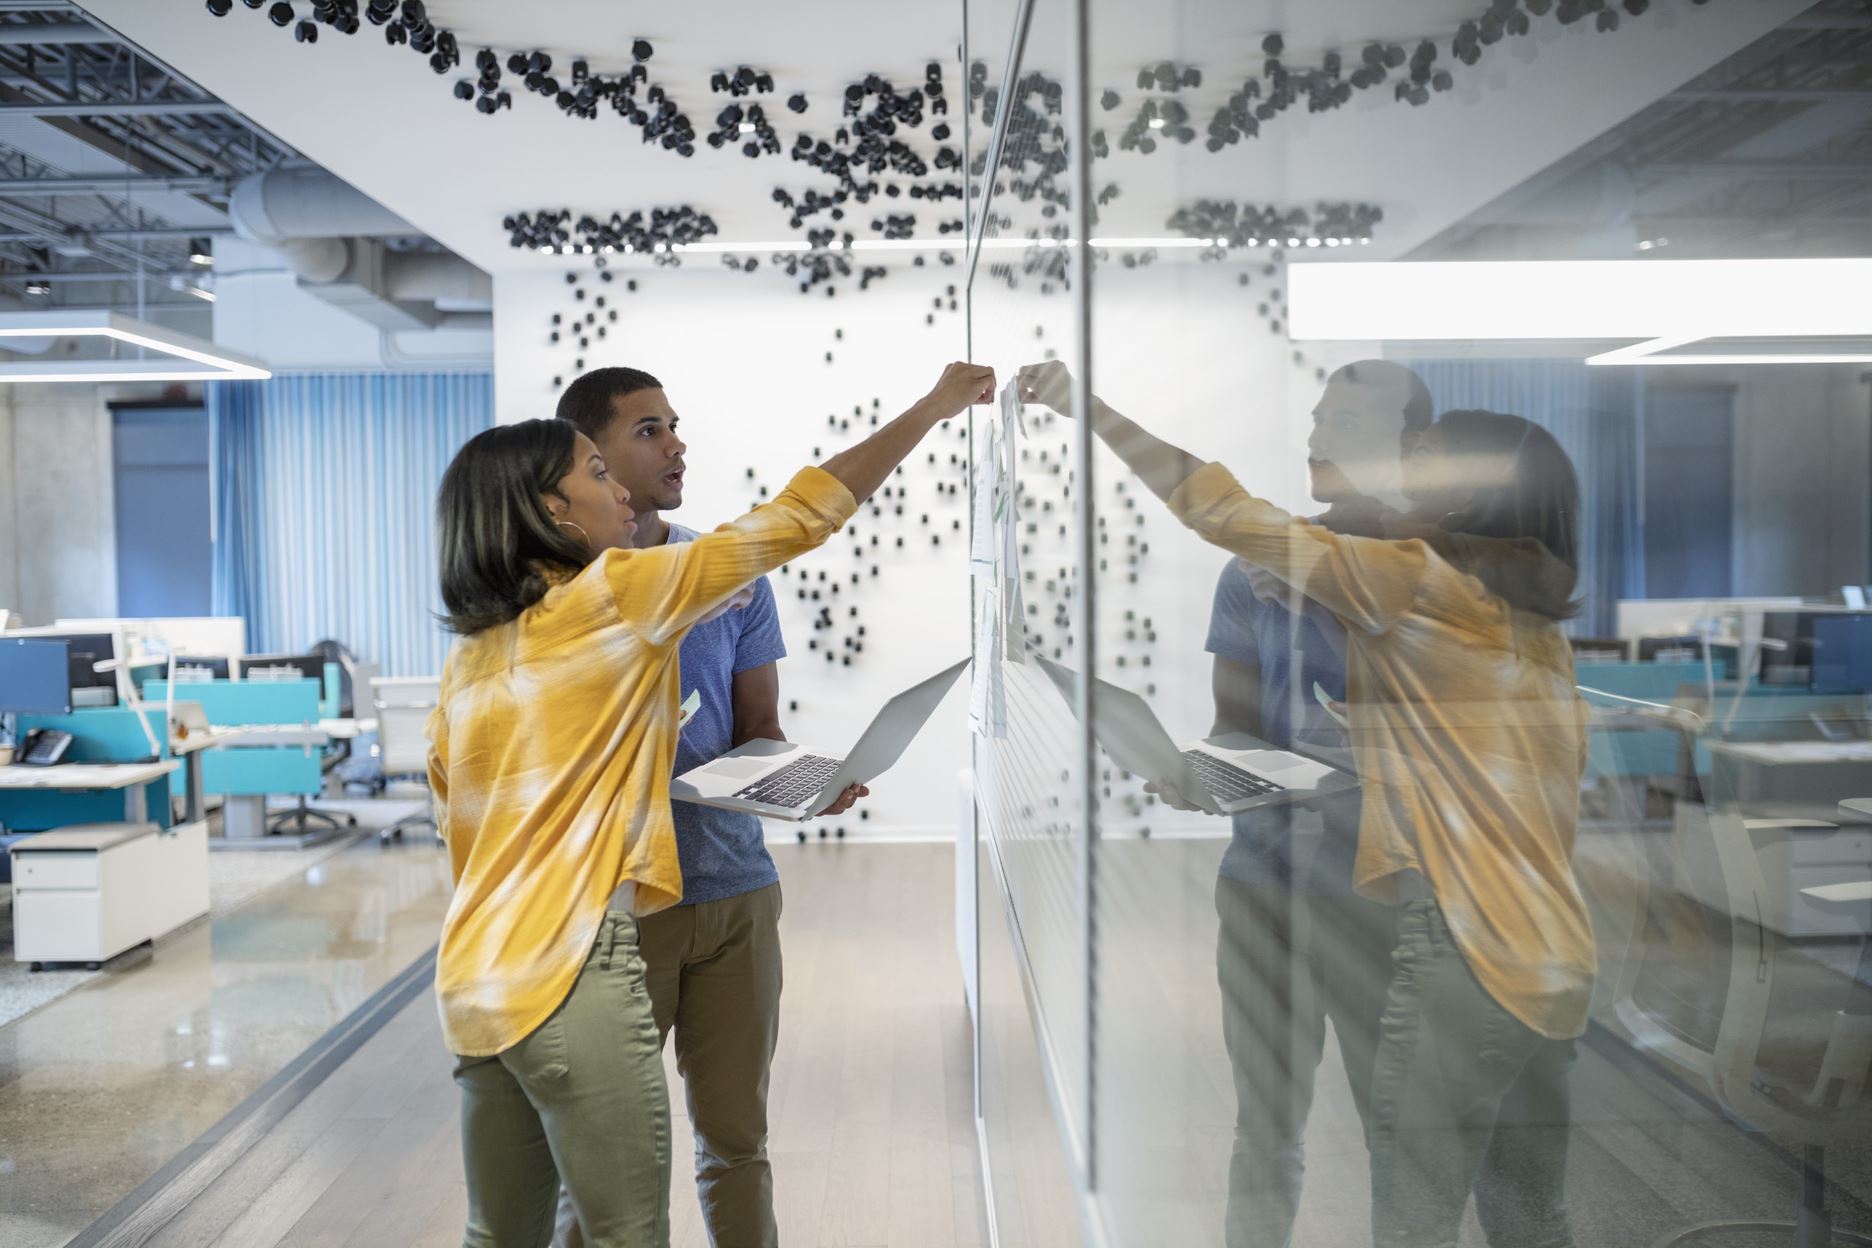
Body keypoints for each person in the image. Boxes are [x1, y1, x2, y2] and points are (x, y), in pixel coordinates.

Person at [1017, 360, 1594, 1248]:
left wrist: (1085, 406)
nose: (1400, 467)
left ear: (1467, 493)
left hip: (1459, 942)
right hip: (1549, 946)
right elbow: (1446, 754)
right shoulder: (1525, 616)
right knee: (1529, 1214)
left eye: (1422, 456)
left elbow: (1215, 506)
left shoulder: (1415, 584)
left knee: (1413, 1219)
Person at [429, 360, 994, 1248]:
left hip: (475, 976)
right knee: (626, 1233)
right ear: (552, 512)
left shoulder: (471, 655)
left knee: (496, 1235)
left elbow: (461, 836)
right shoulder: (615, 597)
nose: (623, 487)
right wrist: (934, 405)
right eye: (601, 472)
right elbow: (799, 517)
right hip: (576, 964)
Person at [550, 366, 864, 1248]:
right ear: (592, 457)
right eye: (647, 430)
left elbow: (759, 726)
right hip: (618, 909)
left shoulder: (732, 581)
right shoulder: (558, 597)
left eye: (674, 426)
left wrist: (804, 779)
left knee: (737, 1145)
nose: (675, 444)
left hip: (735, 892)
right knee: (605, 1160)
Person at [1201, 361, 1430, 1248]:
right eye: (1318, 416)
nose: (1318, 438)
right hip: (1264, 886)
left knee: (1399, 1130)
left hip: (1388, 893)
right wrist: (1201, 771)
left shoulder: (1441, 572)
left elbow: (1446, 738)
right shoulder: (1253, 567)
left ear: (1412, 450)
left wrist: (1331, 601)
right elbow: (1235, 724)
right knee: (1265, 1126)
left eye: (1351, 421)